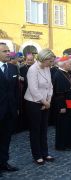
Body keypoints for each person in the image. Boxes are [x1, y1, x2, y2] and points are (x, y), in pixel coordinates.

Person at [24, 49, 55, 165]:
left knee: (44, 129)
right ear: (44, 59)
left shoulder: (47, 68)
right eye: (50, 61)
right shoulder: (33, 69)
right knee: (35, 130)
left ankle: (45, 152)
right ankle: (37, 155)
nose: (51, 64)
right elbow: (33, 89)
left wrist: (49, 100)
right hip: (33, 103)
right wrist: (44, 102)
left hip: (46, 102)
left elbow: (50, 85)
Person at [53, 56, 71, 150]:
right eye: (70, 63)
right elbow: (59, 93)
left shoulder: (67, 73)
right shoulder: (58, 75)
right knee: (64, 126)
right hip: (65, 105)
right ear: (64, 64)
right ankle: (63, 145)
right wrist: (62, 106)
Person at [0, 43, 19, 175]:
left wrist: (16, 107)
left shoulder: (13, 68)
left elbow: (16, 90)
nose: (8, 53)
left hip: (9, 111)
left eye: (9, 51)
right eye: (5, 51)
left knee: (6, 139)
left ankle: (3, 162)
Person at [18, 53, 34, 132]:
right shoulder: (22, 68)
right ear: (25, 60)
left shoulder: (36, 68)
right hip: (25, 90)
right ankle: (25, 125)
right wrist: (22, 79)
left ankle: (32, 124)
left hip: (34, 91)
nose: (30, 61)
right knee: (25, 108)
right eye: (28, 60)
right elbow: (20, 78)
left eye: (31, 60)